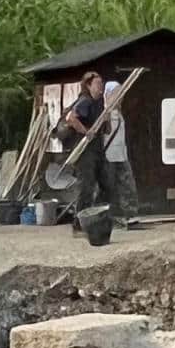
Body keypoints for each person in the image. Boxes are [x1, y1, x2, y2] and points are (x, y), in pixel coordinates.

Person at [57, 68, 115, 228]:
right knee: (86, 187)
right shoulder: (85, 101)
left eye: (101, 84)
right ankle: (79, 223)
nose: (100, 87)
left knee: (107, 184)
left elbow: (107, 130)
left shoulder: (100, 103)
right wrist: (86, 132)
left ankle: (97, 216)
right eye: (97, 84)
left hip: (98, 149)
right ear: (88, 86)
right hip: (85, 151)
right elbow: (71, 119)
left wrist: (108, 119)